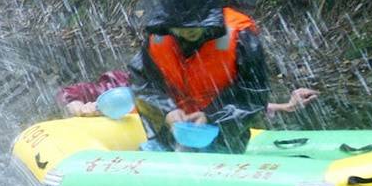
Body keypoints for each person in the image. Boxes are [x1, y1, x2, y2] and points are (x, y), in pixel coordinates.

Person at [130, 0, 272, 152]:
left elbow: (254, 95)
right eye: (181, 25)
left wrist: (212, 118)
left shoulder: (241, 39)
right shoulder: (157, 39)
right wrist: (167, 111)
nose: (189, 30)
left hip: (222, 137)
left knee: (214, 150)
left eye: (197, 23)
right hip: (170, 134)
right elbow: (142, 84)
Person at [61, 67, 315, 119]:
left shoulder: (178, 90)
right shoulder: (117, 81)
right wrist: (77, 107)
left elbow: (219, 106)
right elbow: (70, 92)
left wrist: (287, 106)